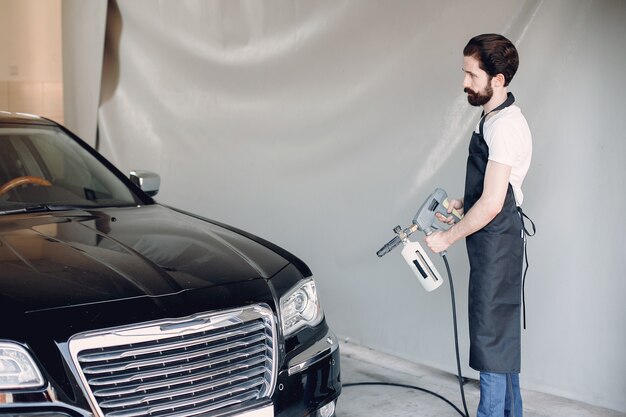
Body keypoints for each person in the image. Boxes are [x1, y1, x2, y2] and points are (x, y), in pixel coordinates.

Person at [425, 33, 532, 417]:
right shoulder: (493, 116)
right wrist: (459, 203)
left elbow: (491, 203)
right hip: (493, 238)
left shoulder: (504, 126)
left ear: (498, 80)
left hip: (497, 241)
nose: (464, 83)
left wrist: (447, 238)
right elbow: (493, 189)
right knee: (499, 343)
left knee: (490, 342)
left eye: (472, 75)